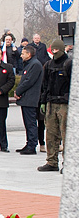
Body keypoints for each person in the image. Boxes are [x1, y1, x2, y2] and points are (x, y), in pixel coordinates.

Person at [38, 38, 71, 172]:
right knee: (51, 134)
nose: (54, 52)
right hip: (51, 103)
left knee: (66, 135)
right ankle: (51, 161)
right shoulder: (48, 65)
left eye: (57, 49)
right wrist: (43, 101)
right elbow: (45, 85)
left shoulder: (69, 64)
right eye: (53, 49)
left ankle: (68, 164)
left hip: (65, 104)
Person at [14, 44, 41, 155]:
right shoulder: (29, 64)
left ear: (29, 54)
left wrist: (18, 91)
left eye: (23, 53)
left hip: (31, 98)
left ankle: (32, 145)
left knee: (31, 123)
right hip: (26, 98)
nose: (21, 55)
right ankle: (29, 142)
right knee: (27, 122)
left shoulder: (35, 65)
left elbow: (28, 81)